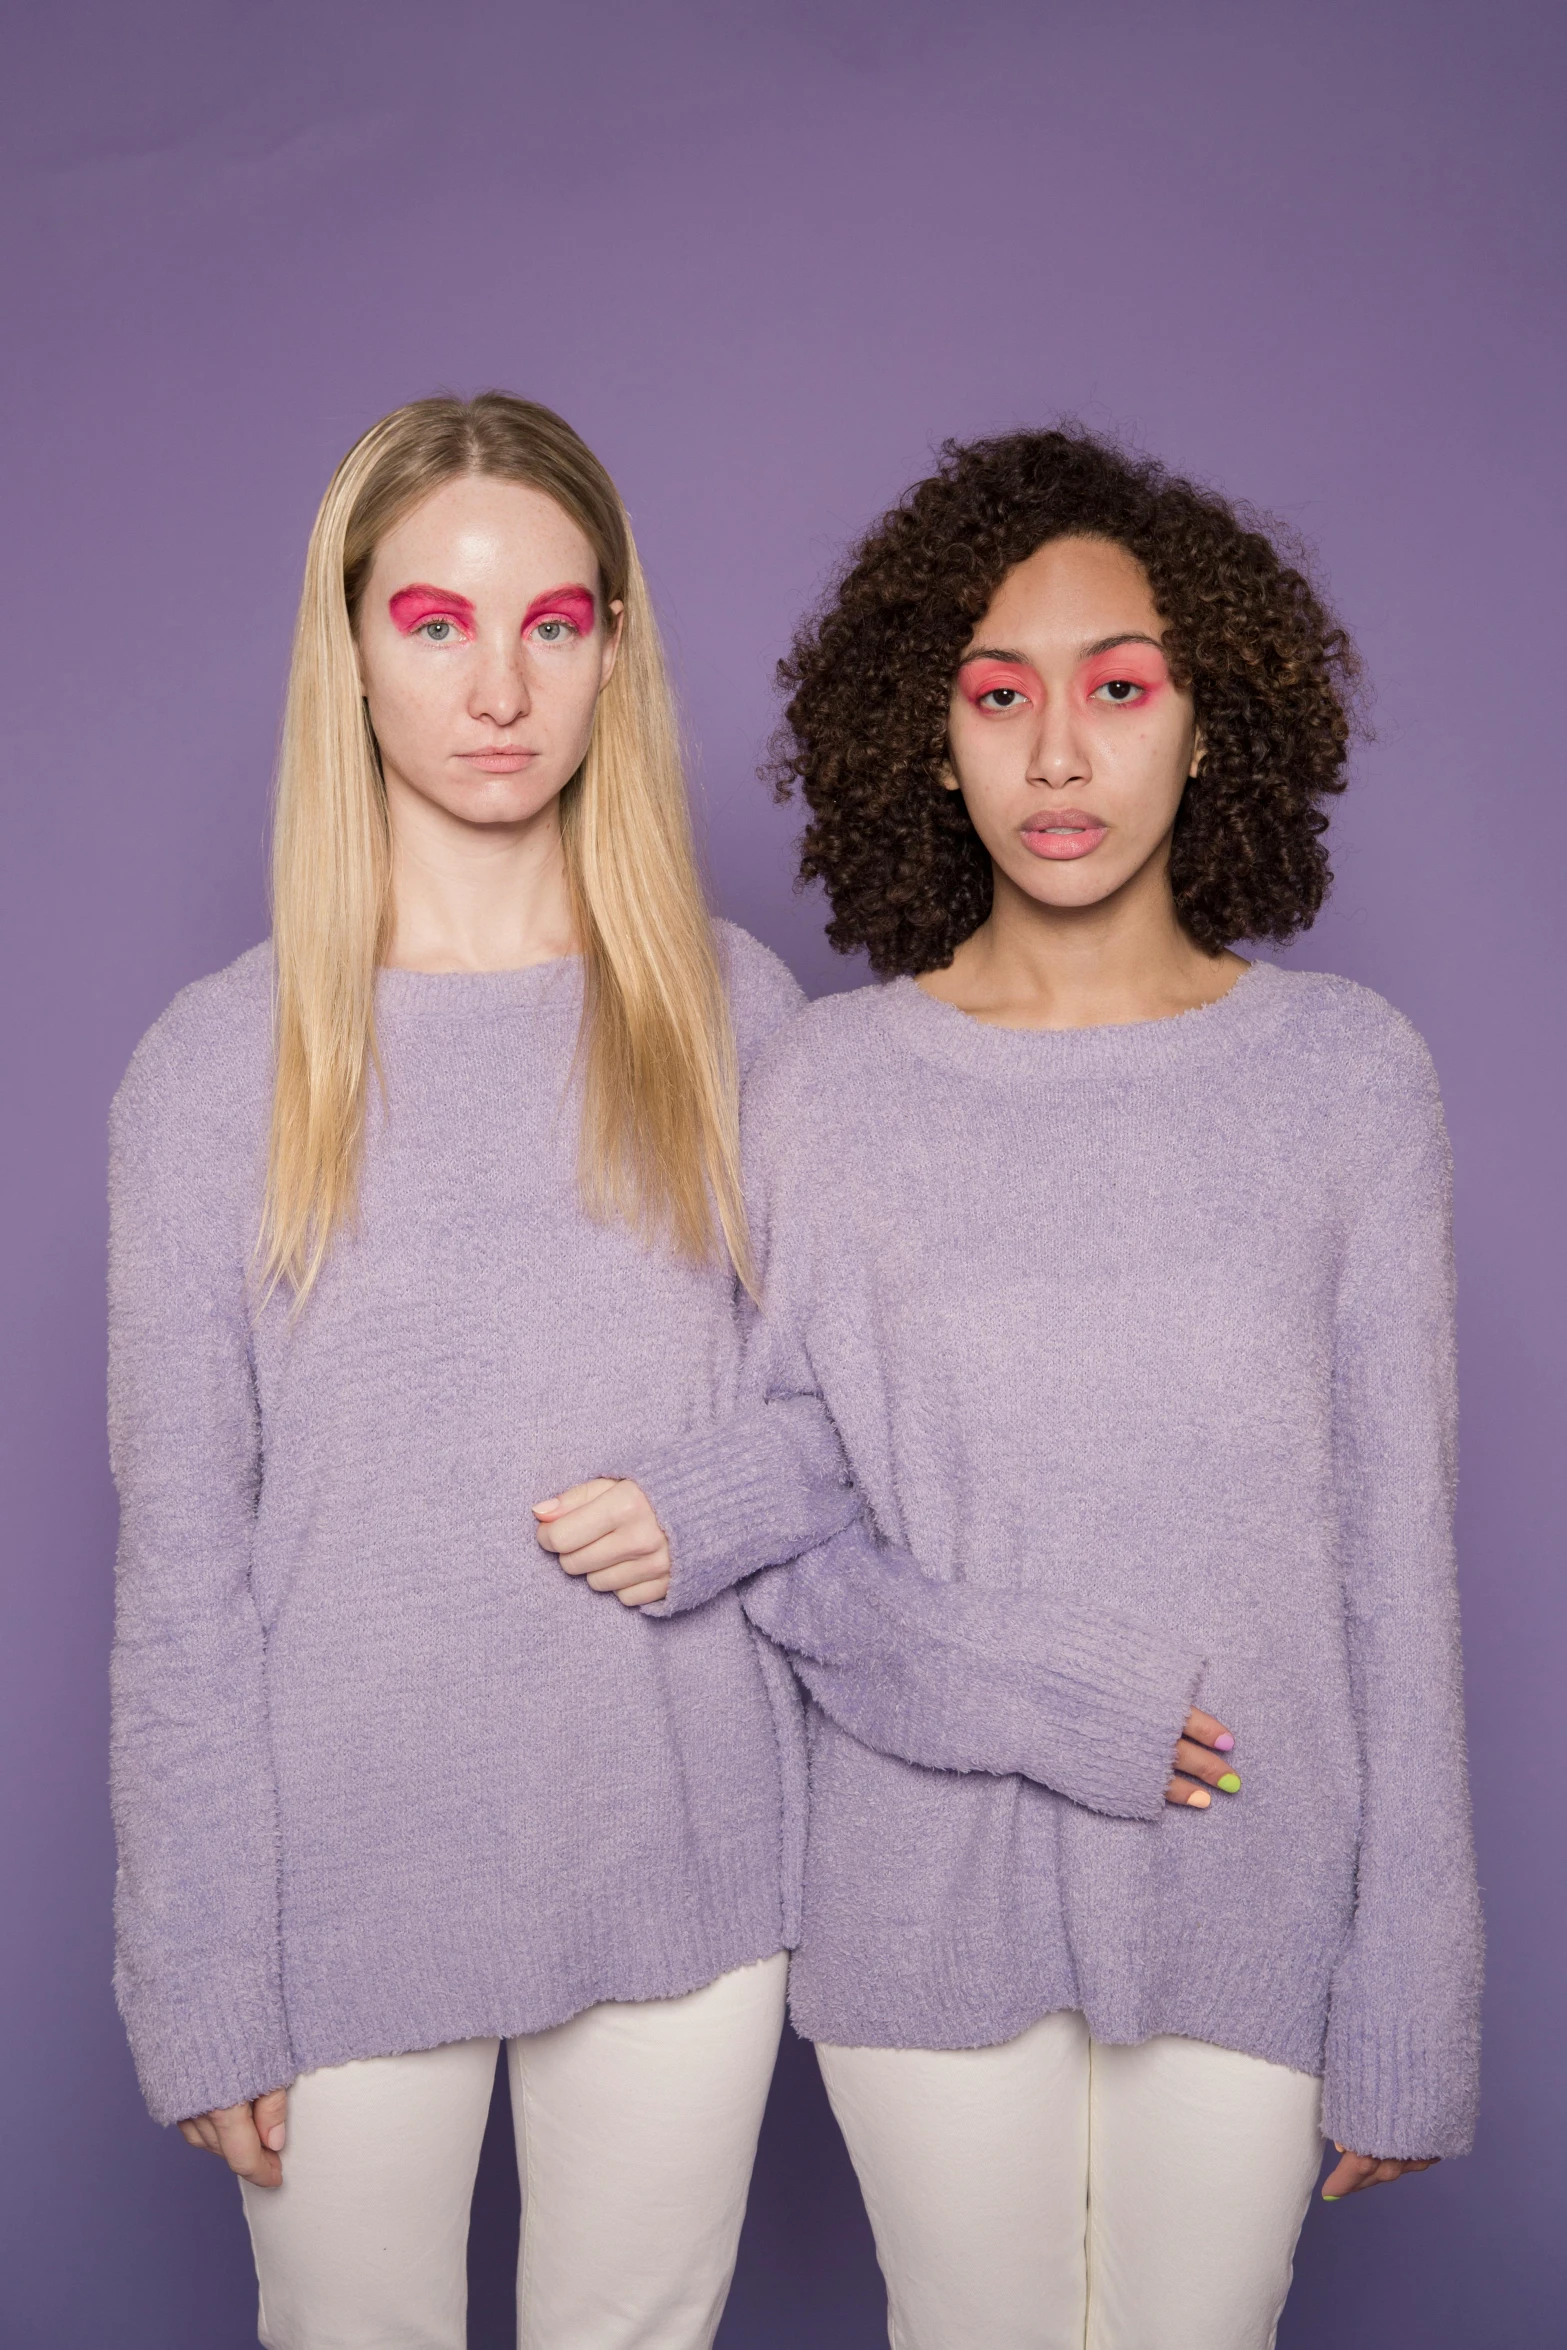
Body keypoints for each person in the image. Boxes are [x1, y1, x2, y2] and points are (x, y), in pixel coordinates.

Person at [539, 429, 1483, 2350]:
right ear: (928, 732)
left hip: (1251, 1869)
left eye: (1117, 689)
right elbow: (789, 1521)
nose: (1057, 754)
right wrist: (1045, 1697)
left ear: (1209, 722)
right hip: (915, 1879)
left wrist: (1418, 1989)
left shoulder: (1347, 1081)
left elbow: (1399, 1557)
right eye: (998, 694)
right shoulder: (828, 1086)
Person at [107, 391, 857, 2350]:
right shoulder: (217, 1068)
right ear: (349, 654)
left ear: (618, 641)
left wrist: (709, 1504)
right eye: (434, 620)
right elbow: (181, 1573)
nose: (499, 682)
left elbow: (857, 1429)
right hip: (338, 1885)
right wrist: (196, 1973)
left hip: (685, 1861)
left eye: (554, 618)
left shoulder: (739, 1018)